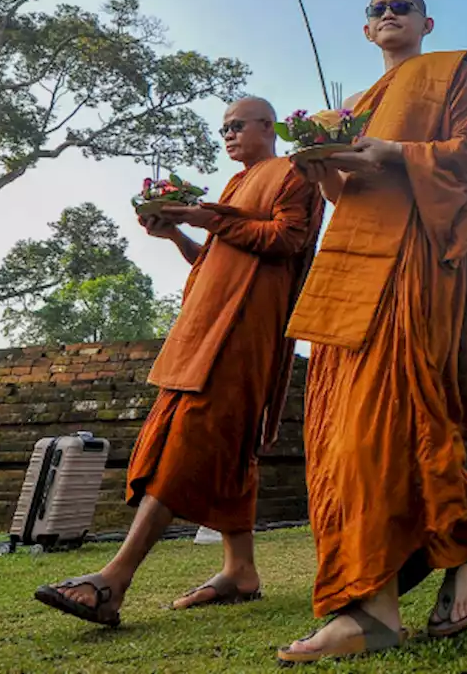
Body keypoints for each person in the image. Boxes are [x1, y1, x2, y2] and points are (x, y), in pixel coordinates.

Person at [34, 97, 323, 626]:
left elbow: (288, 239)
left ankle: (113, 580)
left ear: (269, 126)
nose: (228, 135)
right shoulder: (237, 185)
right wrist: (178, 233)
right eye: (223, 129)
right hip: (202, 329)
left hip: (241, 332)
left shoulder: (294, 172)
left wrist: (208, 217)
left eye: (238, 126)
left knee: (189, 441)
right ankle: (240, 571)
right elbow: (216, 263)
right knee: (229, 449)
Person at [278, 0, 467, 664]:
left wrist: (392, 152)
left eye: (401, 6)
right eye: (376, 10)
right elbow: (345, 190)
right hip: (348, 269)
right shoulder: (351, 109)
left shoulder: (455, 68)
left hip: (413, 256)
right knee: (340, 437)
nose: (388, 15)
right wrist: (324, 166)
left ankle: (462, 538)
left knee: (401, 416)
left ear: (426, 21)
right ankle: (369, 606)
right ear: (367, 29)